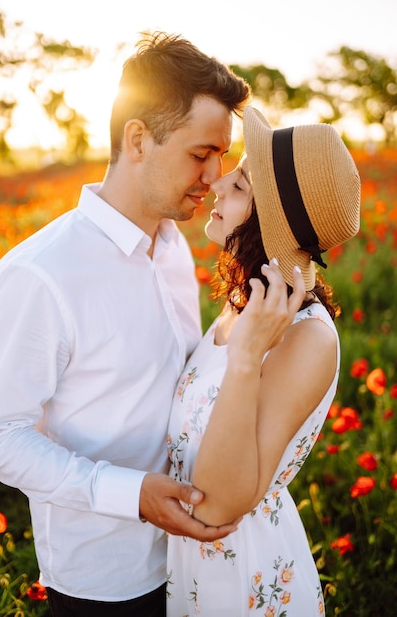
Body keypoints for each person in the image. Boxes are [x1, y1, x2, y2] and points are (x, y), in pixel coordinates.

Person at [0, 32, 251, 616]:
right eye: (201, 153)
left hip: (194, 560)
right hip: (106, 580)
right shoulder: (40, 272)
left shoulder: (178, 247)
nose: (214, 176)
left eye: (222, 157)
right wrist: (133, 496)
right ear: (138, 140)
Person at [166, 105, 361, 616]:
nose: (218, 181)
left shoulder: (306, 340)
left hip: (242, 581)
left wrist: (247, 356)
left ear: (271, 223)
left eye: (241, 186)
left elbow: (217, 502)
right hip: (189, 569)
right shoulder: (243, 305)